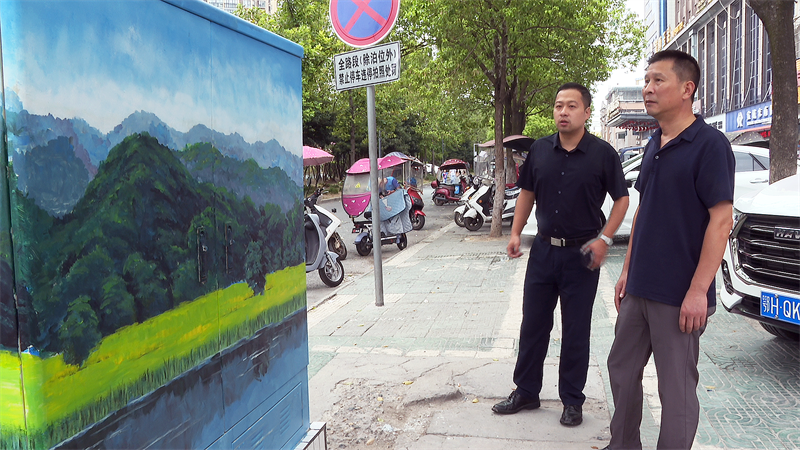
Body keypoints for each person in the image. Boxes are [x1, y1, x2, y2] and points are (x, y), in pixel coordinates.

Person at [604, 50, 734, 450]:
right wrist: (627, 269)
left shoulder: (709, 145)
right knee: (621, 369)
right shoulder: (654, 142)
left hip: (679, 295)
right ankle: (623, 444)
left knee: (674, 389)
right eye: (646, 81)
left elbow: (721, 221)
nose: (648, 89)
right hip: (640, 287)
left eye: (658, 80)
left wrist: (698, 290)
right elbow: (645, 209)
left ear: (687, 89)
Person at [494, 83, 629, 427]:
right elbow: (527, 194)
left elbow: (622, 199)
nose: (563, 112)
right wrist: (515, 233)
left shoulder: (603, 154)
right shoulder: (540, 150)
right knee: (533, 324)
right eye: (558, 106)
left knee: (576, 330)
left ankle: (572, 400)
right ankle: (526, 391)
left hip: (582, 255)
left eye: (571, 106)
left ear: (586, 112)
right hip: (543, 251)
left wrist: (605, 239)